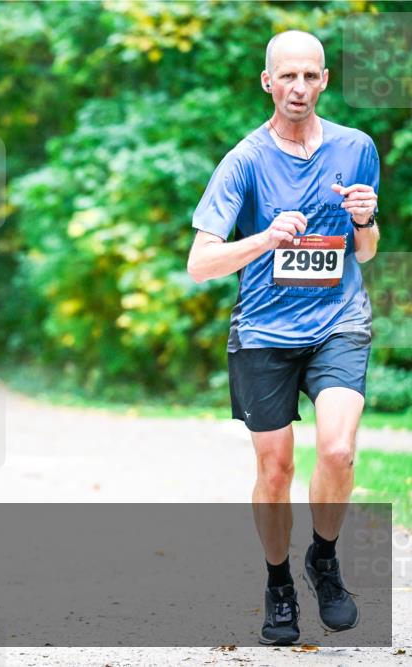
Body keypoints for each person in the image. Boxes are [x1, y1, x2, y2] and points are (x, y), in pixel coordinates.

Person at [186, 30, 380, 646]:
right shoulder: (244, 160)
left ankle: (322, 556)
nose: (299, 88)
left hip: (339, 320)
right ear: (267, 82)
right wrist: (266, 239)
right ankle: (277, 582)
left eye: (311, 76)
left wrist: (365, 220)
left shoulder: (357, 148)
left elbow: (366, 252)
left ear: (325, 80)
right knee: (275, 471)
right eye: (287, 77)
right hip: (265, 330)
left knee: (338, 450)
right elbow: (200, 263)